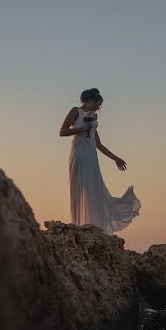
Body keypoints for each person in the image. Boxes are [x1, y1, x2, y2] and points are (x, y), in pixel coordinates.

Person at [59, 88, 140, 234]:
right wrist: (82, 129)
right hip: (78, 153)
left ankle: (95, 227)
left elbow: (99, 145)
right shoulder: (75, 111)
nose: (98, 108)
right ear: (91, 101)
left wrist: (116, 159)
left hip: (91, 156)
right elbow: (62, 131)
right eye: (98, 104)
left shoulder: (93, 118)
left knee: (96, 189)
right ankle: (79, 225)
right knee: (80, 188)